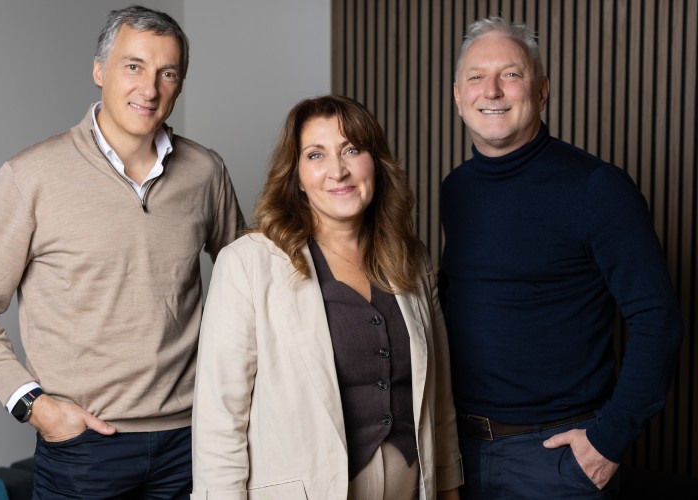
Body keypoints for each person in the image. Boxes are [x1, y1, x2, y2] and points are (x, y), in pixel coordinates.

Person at [0, 5, 244, 498]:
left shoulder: (205, 172)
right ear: (100, 70)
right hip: (84, 446)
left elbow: (248, 285)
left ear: (180, 84)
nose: (149, 89)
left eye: (168, 73)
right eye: (134, 66)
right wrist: (35, 407)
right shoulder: (31, 176)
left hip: (193, 440)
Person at [440, 16, 684, 499]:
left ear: (542, 89)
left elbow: (659, 318)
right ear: (457, 96)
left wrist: (609, 440)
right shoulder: (457, 190)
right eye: (475, 76)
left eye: (510, 74)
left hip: (555, 459)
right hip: (458, 453)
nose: (491, 90)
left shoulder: (596, 188)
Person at [191, 95, 463, 500]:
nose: (338, 170)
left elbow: (439, 398)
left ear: (376, 162)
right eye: (316, 155)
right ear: (296, 176)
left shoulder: (412, 260)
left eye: (352, 149)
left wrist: (449, 485)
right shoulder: (248, 264)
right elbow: (220, 417)